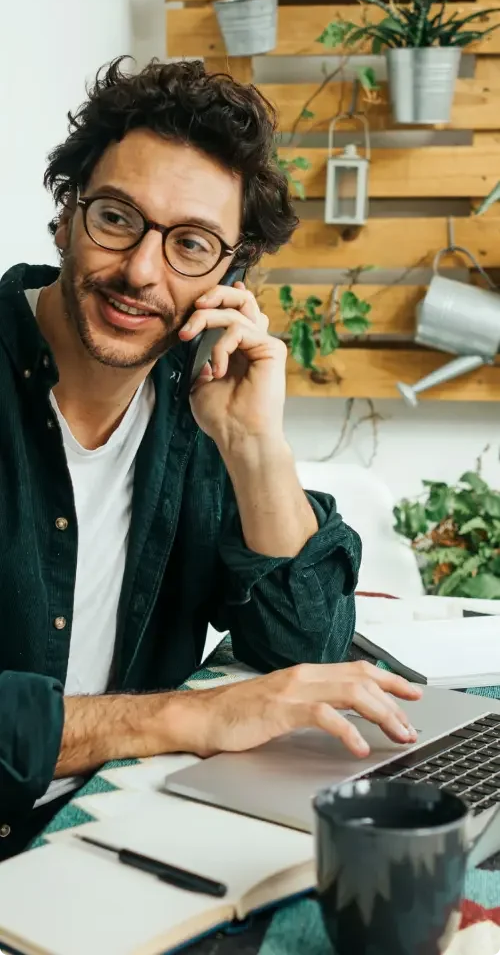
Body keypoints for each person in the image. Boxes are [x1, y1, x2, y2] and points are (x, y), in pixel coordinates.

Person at [0, 58, 420, 858]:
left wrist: (253, 444)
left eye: (191, 244)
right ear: (66, 215)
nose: (142, 272)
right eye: (117, 218)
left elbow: (305, 653)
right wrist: (184, 716)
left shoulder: (197, 405)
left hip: (119, 829)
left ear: (228, 273)